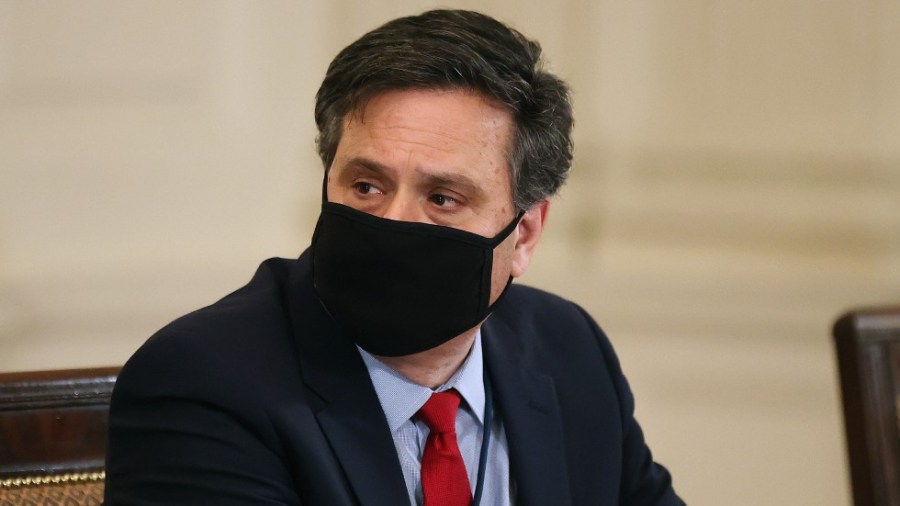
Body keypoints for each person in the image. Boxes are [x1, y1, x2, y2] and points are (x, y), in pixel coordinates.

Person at [104, 9, 683, 506]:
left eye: (442, 198)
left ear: (524, 234)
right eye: (367, 186)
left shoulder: (569, 352)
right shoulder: (204, 383)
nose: (394, 223)